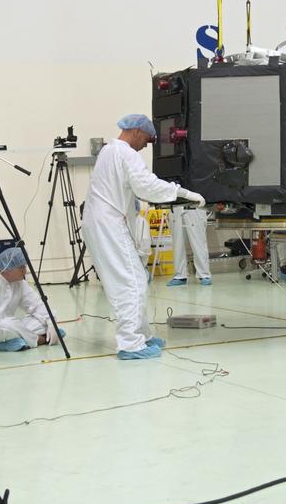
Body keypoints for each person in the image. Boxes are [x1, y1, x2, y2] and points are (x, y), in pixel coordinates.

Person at [82, 114, 204, 359]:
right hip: (108, 224)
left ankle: (142, 335)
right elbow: (145, 185)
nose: (146, 146)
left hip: (99, 222)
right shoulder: (126, 153)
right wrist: (182, 192)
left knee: (129, 280)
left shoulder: (108, 151)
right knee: (132, 282)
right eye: (147, 140)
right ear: (137, 131)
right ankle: (129, 343)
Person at [167, 204, 212, 286]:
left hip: (195, 204)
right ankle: (180, 276)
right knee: (178, 242)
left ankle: (204, 275)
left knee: (198, 241)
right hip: (175, 205)